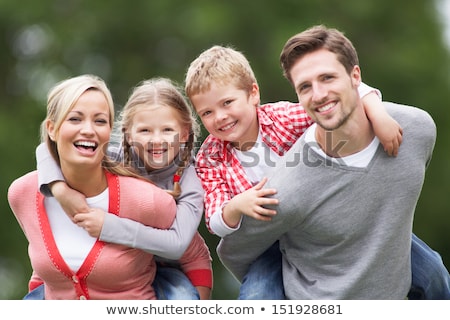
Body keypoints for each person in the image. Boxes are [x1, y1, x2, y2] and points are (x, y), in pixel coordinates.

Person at [185, 44, 449, 299]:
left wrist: (377, 112)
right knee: (257, 296)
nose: (219, 117)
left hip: (325, 224)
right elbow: (215, 220)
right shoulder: (211, 157)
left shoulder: (282, 118)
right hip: (267, 243)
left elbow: (334, 103)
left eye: (227, 102)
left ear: (253, 93)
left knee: (433, 272)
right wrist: (236, 206)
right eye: (207, 112)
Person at [29, 78, 212, 299]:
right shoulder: (115, 159)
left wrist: (109, 227)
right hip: (119, 265)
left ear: (183, 134)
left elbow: (177, 246)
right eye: (145, 130)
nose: (156, 140)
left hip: (172, 266)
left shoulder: (190, 181)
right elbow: (47, 149)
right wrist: (60, 190)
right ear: (128, 133)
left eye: (167, 130)